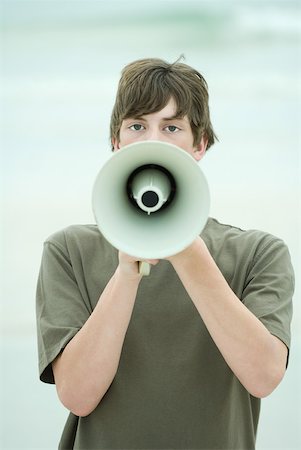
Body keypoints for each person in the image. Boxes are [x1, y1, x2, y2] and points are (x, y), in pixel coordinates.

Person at [36, 57, 294, 450]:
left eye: (172, 128)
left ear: (200, 145)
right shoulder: (68, 251)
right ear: (116, 143)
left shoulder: (259, 253)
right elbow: (77, 395)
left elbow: (263, 376)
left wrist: (189, 252)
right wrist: (126, 272)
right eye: (137, 126)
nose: (153, 141)